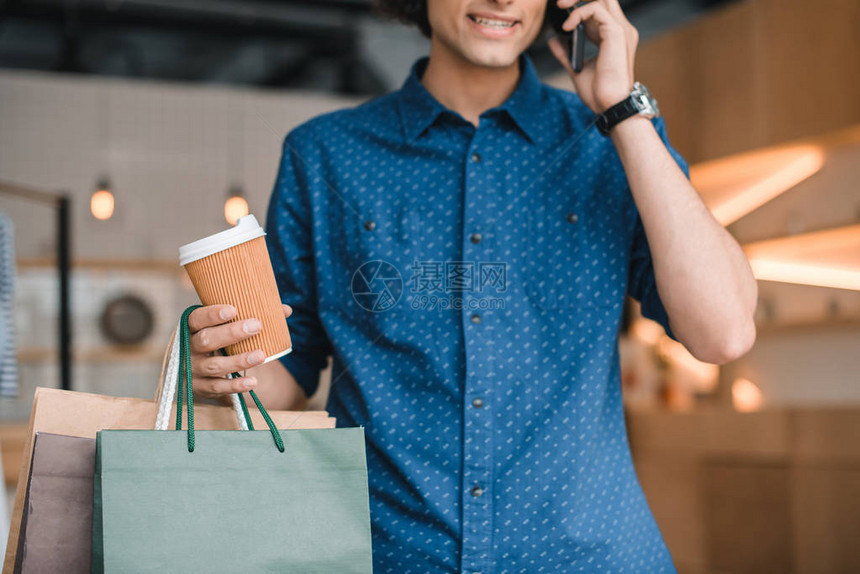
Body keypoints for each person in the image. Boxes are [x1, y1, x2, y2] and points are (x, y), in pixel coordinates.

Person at [186, 0, 758, 571]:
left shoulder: (609, 144)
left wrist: (624, 112)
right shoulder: (324, 154)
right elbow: (291, 361)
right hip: (388, 553)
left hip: (586, 554)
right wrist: (225, 371)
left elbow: (723, 332)